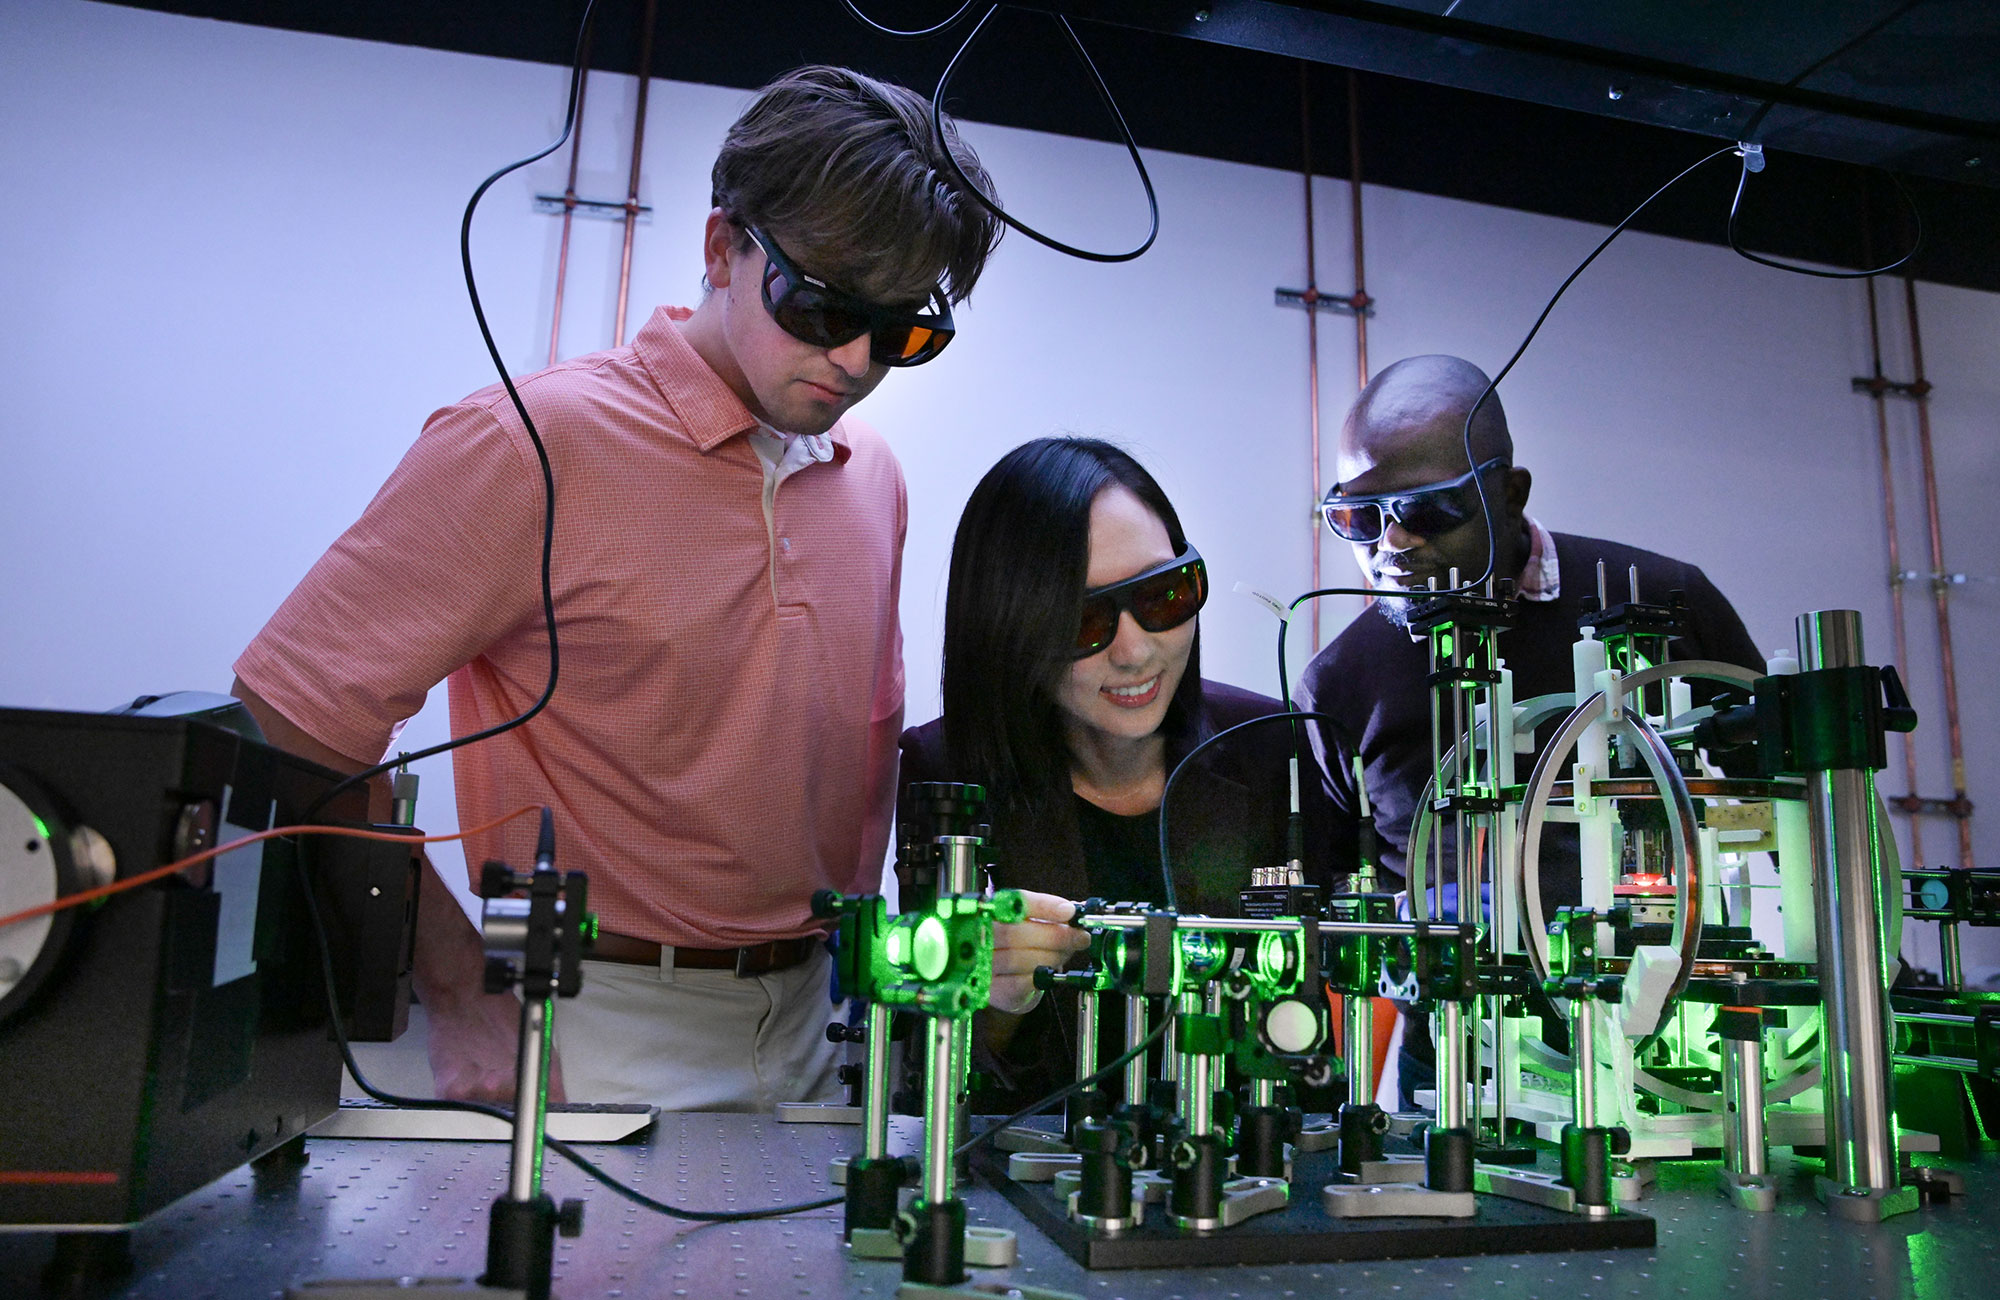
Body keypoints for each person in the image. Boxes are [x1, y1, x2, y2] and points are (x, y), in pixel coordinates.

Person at [229, 67, 1001, 1112]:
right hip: (588, 1024)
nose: (857, 360)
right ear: (722, 246)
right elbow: (292, 716)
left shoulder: (870, 475)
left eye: (904, 331)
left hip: (819, 1025)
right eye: (819, 307)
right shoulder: (527, 443)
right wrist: (455, 981)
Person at [1298, 353, 1764, 1101]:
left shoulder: (1664, 598)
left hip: (1677, 1043)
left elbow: (1777, 809)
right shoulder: (1342, 680)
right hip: (1450, 1060)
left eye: (1427, 510)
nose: (1390, 545)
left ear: (1509, 494)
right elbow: (1332, 884)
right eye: (1358, 516)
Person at [900, 437, 1334, 1110]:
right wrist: (997, 1004)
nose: (1136, 652)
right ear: (1008, 631)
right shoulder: (950, 776)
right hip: (1037, 1181)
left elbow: (1308, 1051)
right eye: (1082, 620)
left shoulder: (1272, 749)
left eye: (1163, 595)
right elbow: (929, 1074)